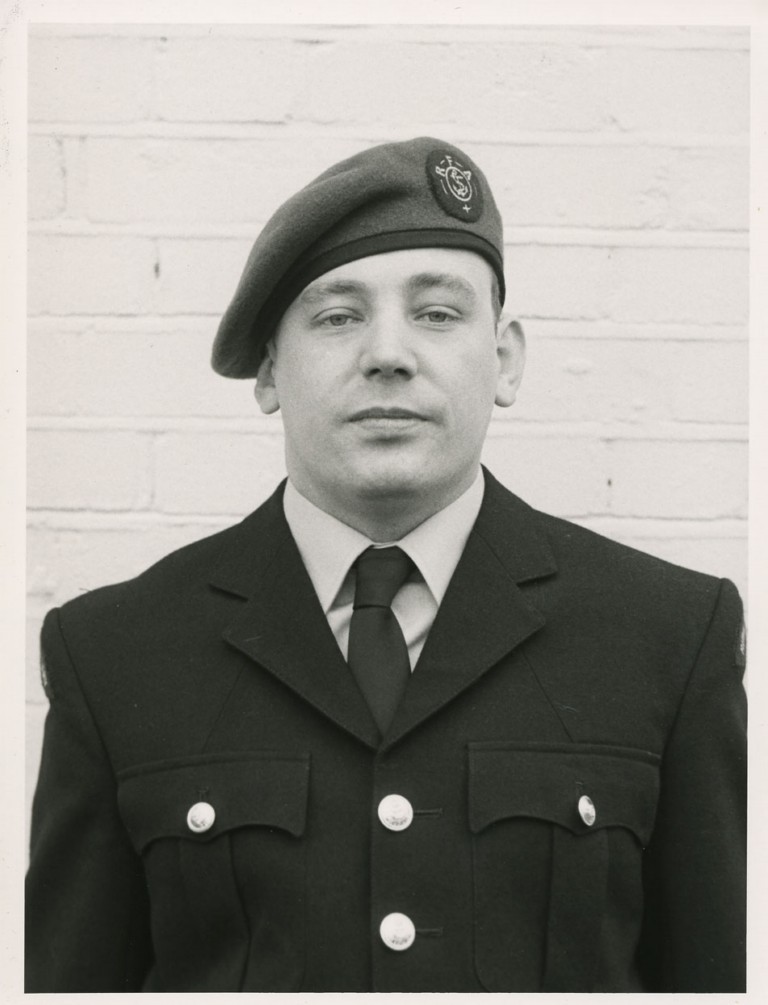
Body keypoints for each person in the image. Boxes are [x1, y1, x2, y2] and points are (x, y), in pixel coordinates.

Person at [25, 137, 747, 993]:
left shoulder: (668, 635)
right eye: (337, 316)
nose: (388, 353)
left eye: (438, 313)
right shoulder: (116, 653)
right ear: (267, 370)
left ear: (507, 358)